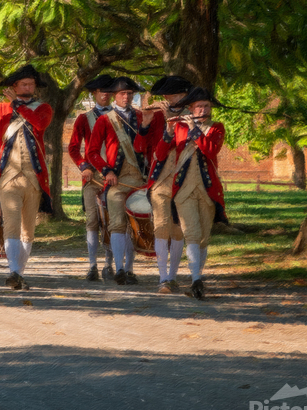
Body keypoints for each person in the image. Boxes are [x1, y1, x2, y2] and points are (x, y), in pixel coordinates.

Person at [0, 64, 53, 291]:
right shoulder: (1, 108)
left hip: (34, 178)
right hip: (8, 176)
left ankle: (19, 273)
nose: (28, 87)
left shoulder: (43, 108)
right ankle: (14, 272)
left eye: (31, 84)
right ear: (14, 87)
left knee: (28, 230)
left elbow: (39, 124)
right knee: (11, 225)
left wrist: (18, 105)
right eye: (24, 84)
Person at [156, 86, 227, 300]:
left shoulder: (217, 128)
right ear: (191, 108)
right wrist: (168, 133)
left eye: (206, 106)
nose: (203, 110)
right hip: (183, 189)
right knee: (192, 234)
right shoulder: (179, 127)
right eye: (198, 107)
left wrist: (194, 130)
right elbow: (160, 154)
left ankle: (198, 275)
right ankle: (196, 279)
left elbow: (210, 150)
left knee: (203, 237)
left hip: (208, 189)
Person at [86, 76, 151, 286]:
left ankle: (130, 269)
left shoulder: (141, 117)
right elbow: (92, 152)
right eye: (123, 93)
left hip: (140, 180)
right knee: (117, 225)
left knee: (135, 225)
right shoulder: (105, 120)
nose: (126, 97)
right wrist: (107, 171)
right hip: (116, 181)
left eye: (130, 94)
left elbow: (148, 147)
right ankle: (120, 269)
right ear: (115, 95)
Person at [139, 75, 193, 293]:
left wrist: (174, 120)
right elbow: (140, 146)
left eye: (175, 95)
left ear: (185, 96)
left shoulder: (192, 116)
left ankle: (173, 276)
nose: (170, 100)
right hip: (160, 179)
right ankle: (163, 278)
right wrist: (145, 123)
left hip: (184, 179)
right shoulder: (157, 116)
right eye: (168, 96)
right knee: (161, 226)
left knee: (178, 230)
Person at [67, 73, 115, 282]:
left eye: (109, 91)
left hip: (114, 174)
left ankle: (110, 264)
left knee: (113, 222)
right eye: (101, 91)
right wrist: (83, 166)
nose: (105, 94)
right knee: (92, 221)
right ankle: (92, 265)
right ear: (95, 93)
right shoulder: (83, 118)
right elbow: (73, 147)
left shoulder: (119, 116)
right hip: (92, 176)